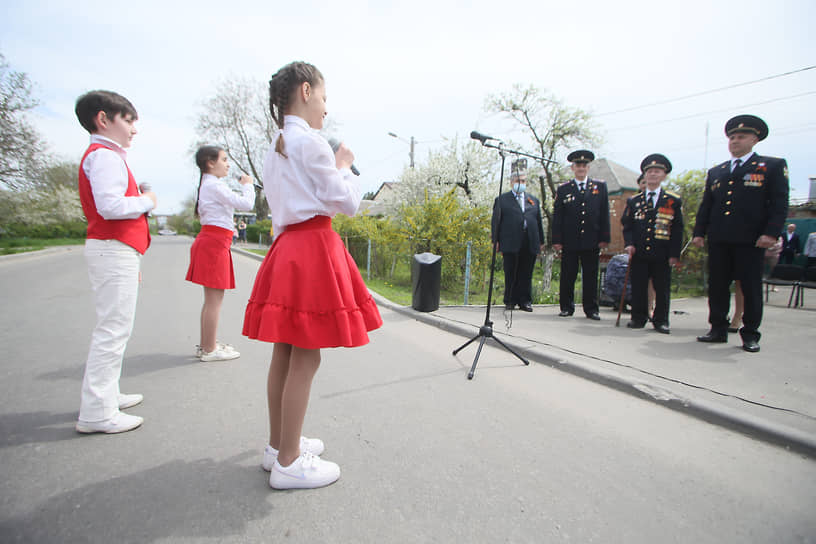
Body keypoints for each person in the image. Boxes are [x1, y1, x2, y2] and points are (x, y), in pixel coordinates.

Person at [243, 61, 382, 490]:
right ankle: (289, 462)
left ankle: (278, 446)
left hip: (288, 248)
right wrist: (343, 165)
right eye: (323, 97)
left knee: (284, 354)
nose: (325, 107)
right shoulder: (312, 143)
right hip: (312, 248)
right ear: (306, 91)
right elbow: (346, 202)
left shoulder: (276, 144)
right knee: (307, 356)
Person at [74, 90, 156, 434]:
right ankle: (97, 412)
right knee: (113, 330)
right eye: (128, 120)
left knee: (115, 328)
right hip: (113, 247)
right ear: (103, 119)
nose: (134, 128)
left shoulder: (104, 155)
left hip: (114, 248)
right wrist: (146, 200)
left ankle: (106, 396)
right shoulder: (105, 156)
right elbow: (110, 206)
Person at [693, 114, 789, 353]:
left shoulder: (771, 166)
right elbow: (707, 206)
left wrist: (771, 233)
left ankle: (750, 334)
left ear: (754, 140)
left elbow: (779, 204)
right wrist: (699, 232)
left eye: (741, 136)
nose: (735, 141)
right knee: (717, 286)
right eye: (732, 137)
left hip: (750, 240)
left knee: (750, 287)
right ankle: (717, 328)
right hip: (719, 239)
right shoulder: (717, 172)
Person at [186, 146, 255, 362]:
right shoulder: (214, 185)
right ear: (210, 163)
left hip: (213, 243)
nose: (227, 164)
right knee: (214, 301)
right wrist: (248, 185)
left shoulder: (209, 185)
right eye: (224, 160)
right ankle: (209, 349)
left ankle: (208, 344)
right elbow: (247, 203)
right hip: (214, 245)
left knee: (212, 300)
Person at [621, 154, 683, 334]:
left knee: (662, 288)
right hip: (639, 251)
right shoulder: (634, 201)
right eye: (649, 172)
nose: (653, 174)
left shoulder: (672, 200)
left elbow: (677, 229)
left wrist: (674, 254)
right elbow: (627, 226)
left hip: (662, 252)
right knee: (639, 286)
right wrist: (629, 243)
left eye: (657, 171)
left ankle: (661, 320)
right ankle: (638, 317)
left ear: (664, 175)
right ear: (644, 175)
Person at [552, 150, 610, 320]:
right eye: (578, 165)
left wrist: (605, 238)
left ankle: (591, 309)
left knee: (591, 276)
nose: (581, 168)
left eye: (584, 165)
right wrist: (557, 240)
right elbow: (558, 217)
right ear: (573, 168)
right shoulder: (564, 189)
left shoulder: (600, 187)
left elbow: (604, 214)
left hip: (592, 240)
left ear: (588, 168)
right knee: (568, 275)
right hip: (570, 240)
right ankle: (566, 307)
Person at [491, 160, 545, 312]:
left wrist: (541, 241)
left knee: (526, 273)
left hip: (529, 241)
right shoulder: (502, 200)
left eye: (523, 181)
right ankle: (510, 300)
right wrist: (495, 240)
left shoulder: (533, 200)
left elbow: (538, 222)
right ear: (512, 182)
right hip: (510, 241)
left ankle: (525, 301)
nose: (521, 183)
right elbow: (496, 222)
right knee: (511, 272)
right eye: (518, 181)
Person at [637, 173, 656, 315]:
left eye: (646, 182)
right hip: (638, 247)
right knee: (640, 280)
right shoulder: (634, 202)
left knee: (653, 280)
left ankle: (650, 307)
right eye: (642, 183)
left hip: (657, 246)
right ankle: (639, 310)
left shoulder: (663, 199)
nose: (645, 185)